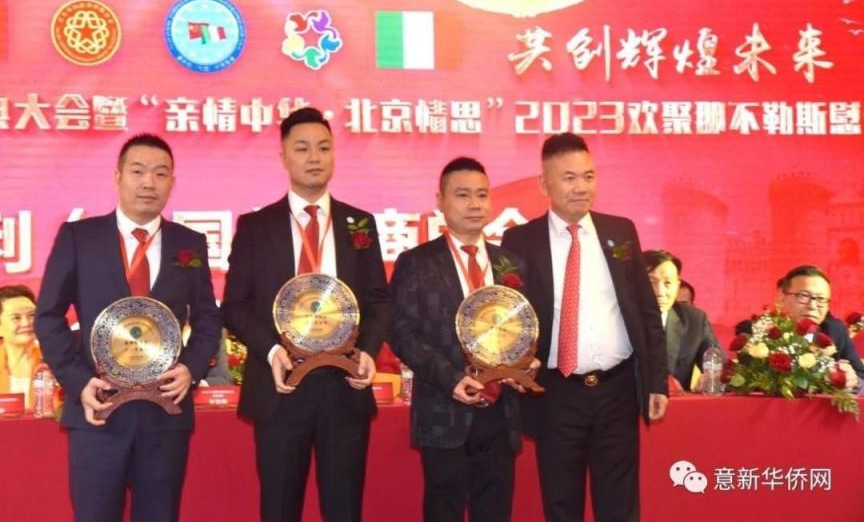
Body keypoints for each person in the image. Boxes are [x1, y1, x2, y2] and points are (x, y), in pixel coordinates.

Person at [34, 133, 221, 522]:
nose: (149, 182)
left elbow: (207, 317)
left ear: (172, 182)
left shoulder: (189, 243)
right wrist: (78, 381)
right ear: (118, 176)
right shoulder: (79, 237)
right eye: (138, 171)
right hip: (98, 408)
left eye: (160, 173)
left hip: (164, 411)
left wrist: (191, 368)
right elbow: (48, 315)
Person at [222, 107, 392, 522]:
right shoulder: (256, 227)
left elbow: (379, 300)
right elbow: (235, 306)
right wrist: (271, 351)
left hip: (343, 388)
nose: (314, 157)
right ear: (283, 157)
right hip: (281, 391)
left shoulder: (359, 223)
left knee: (344, 510)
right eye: (302, 148)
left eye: (323, 147)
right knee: (279, 509)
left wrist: (368, 352)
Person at [500, 132, 668, 522]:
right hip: (556, 393)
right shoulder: (520, 240)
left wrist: (656, 381)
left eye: (589, 176)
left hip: (617, 390)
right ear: (544, 184)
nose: (581, 187)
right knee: (561, 503)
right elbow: (511, 317)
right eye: (569, 177)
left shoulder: (620, 232)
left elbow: (647, 311)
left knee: (619, 505)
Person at [389, 157, 537, 522]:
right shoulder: (416, 262)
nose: (474, 204)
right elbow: (401, 332)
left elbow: (526, 328)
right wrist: (452, 379)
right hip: (445, 410)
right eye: (463, 195)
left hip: (501, 415)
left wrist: (526, 362)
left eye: (482, 195)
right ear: (440, 201)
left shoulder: (510, 263)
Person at [736, 265, 863, 390]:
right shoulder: (756, 331)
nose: (812, 306)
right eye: (803, 296)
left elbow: (862, 378)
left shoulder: (834, 330)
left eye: (821, 299)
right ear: (782, 298)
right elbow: (749, 381)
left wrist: (854, 381)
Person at [644, 250, 722, 391]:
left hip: (678, 403)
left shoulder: (694, 320)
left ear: (677, 286)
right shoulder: (617, 318)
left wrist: (711, 378)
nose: (660, 292)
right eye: (651, 282)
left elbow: (722, 368)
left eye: (668, 283)